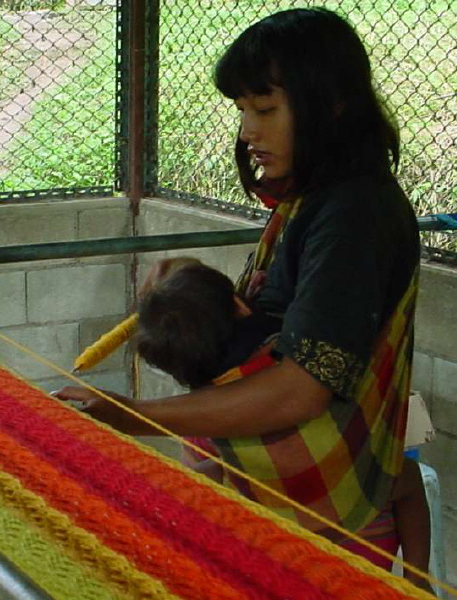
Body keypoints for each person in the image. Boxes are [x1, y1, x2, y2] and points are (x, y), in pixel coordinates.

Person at [55, 6, 429, 590]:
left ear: (332, 104)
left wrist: (136, 416)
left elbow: (301, 389)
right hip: (300, 515)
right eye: (242, 111)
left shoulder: (353, 215)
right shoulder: (315, 200)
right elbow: (276, 317)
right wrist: (192, 281)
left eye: (265, 110)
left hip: (328, 531)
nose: (248, 132)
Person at [135, 261, 432, 589]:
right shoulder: (307, 367)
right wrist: (416, 582)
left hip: (278, 558)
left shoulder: (202, 416)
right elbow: (406, 479)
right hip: (353, 546)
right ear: (239, 306)